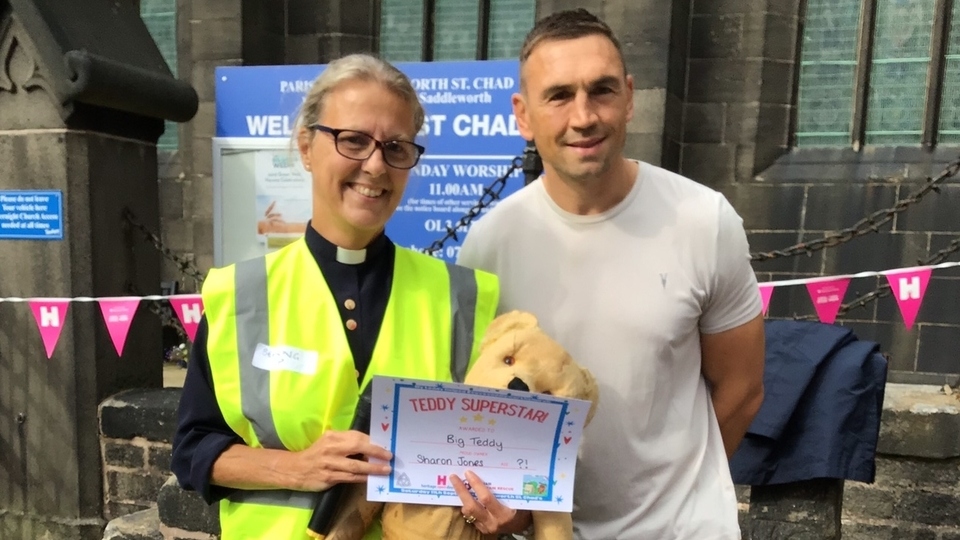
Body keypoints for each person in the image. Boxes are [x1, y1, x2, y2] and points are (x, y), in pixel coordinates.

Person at [457, 9, 766, 540]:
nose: (584, 116)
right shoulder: (488, 245)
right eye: (558, 96)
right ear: (523, 114)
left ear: (628, 98)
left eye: (601, 91)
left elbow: (741, 389)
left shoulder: (703, 221)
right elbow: (488, 405)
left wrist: (680, 498)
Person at [170, 54, 507, 540]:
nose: (375, 165)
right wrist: (298, 468)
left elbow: (497, 464)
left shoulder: (465, 298)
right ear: (306, 147)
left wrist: (500, 512)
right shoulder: (239, 294)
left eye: (395, 147)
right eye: (352, 140)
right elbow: (193, 449)